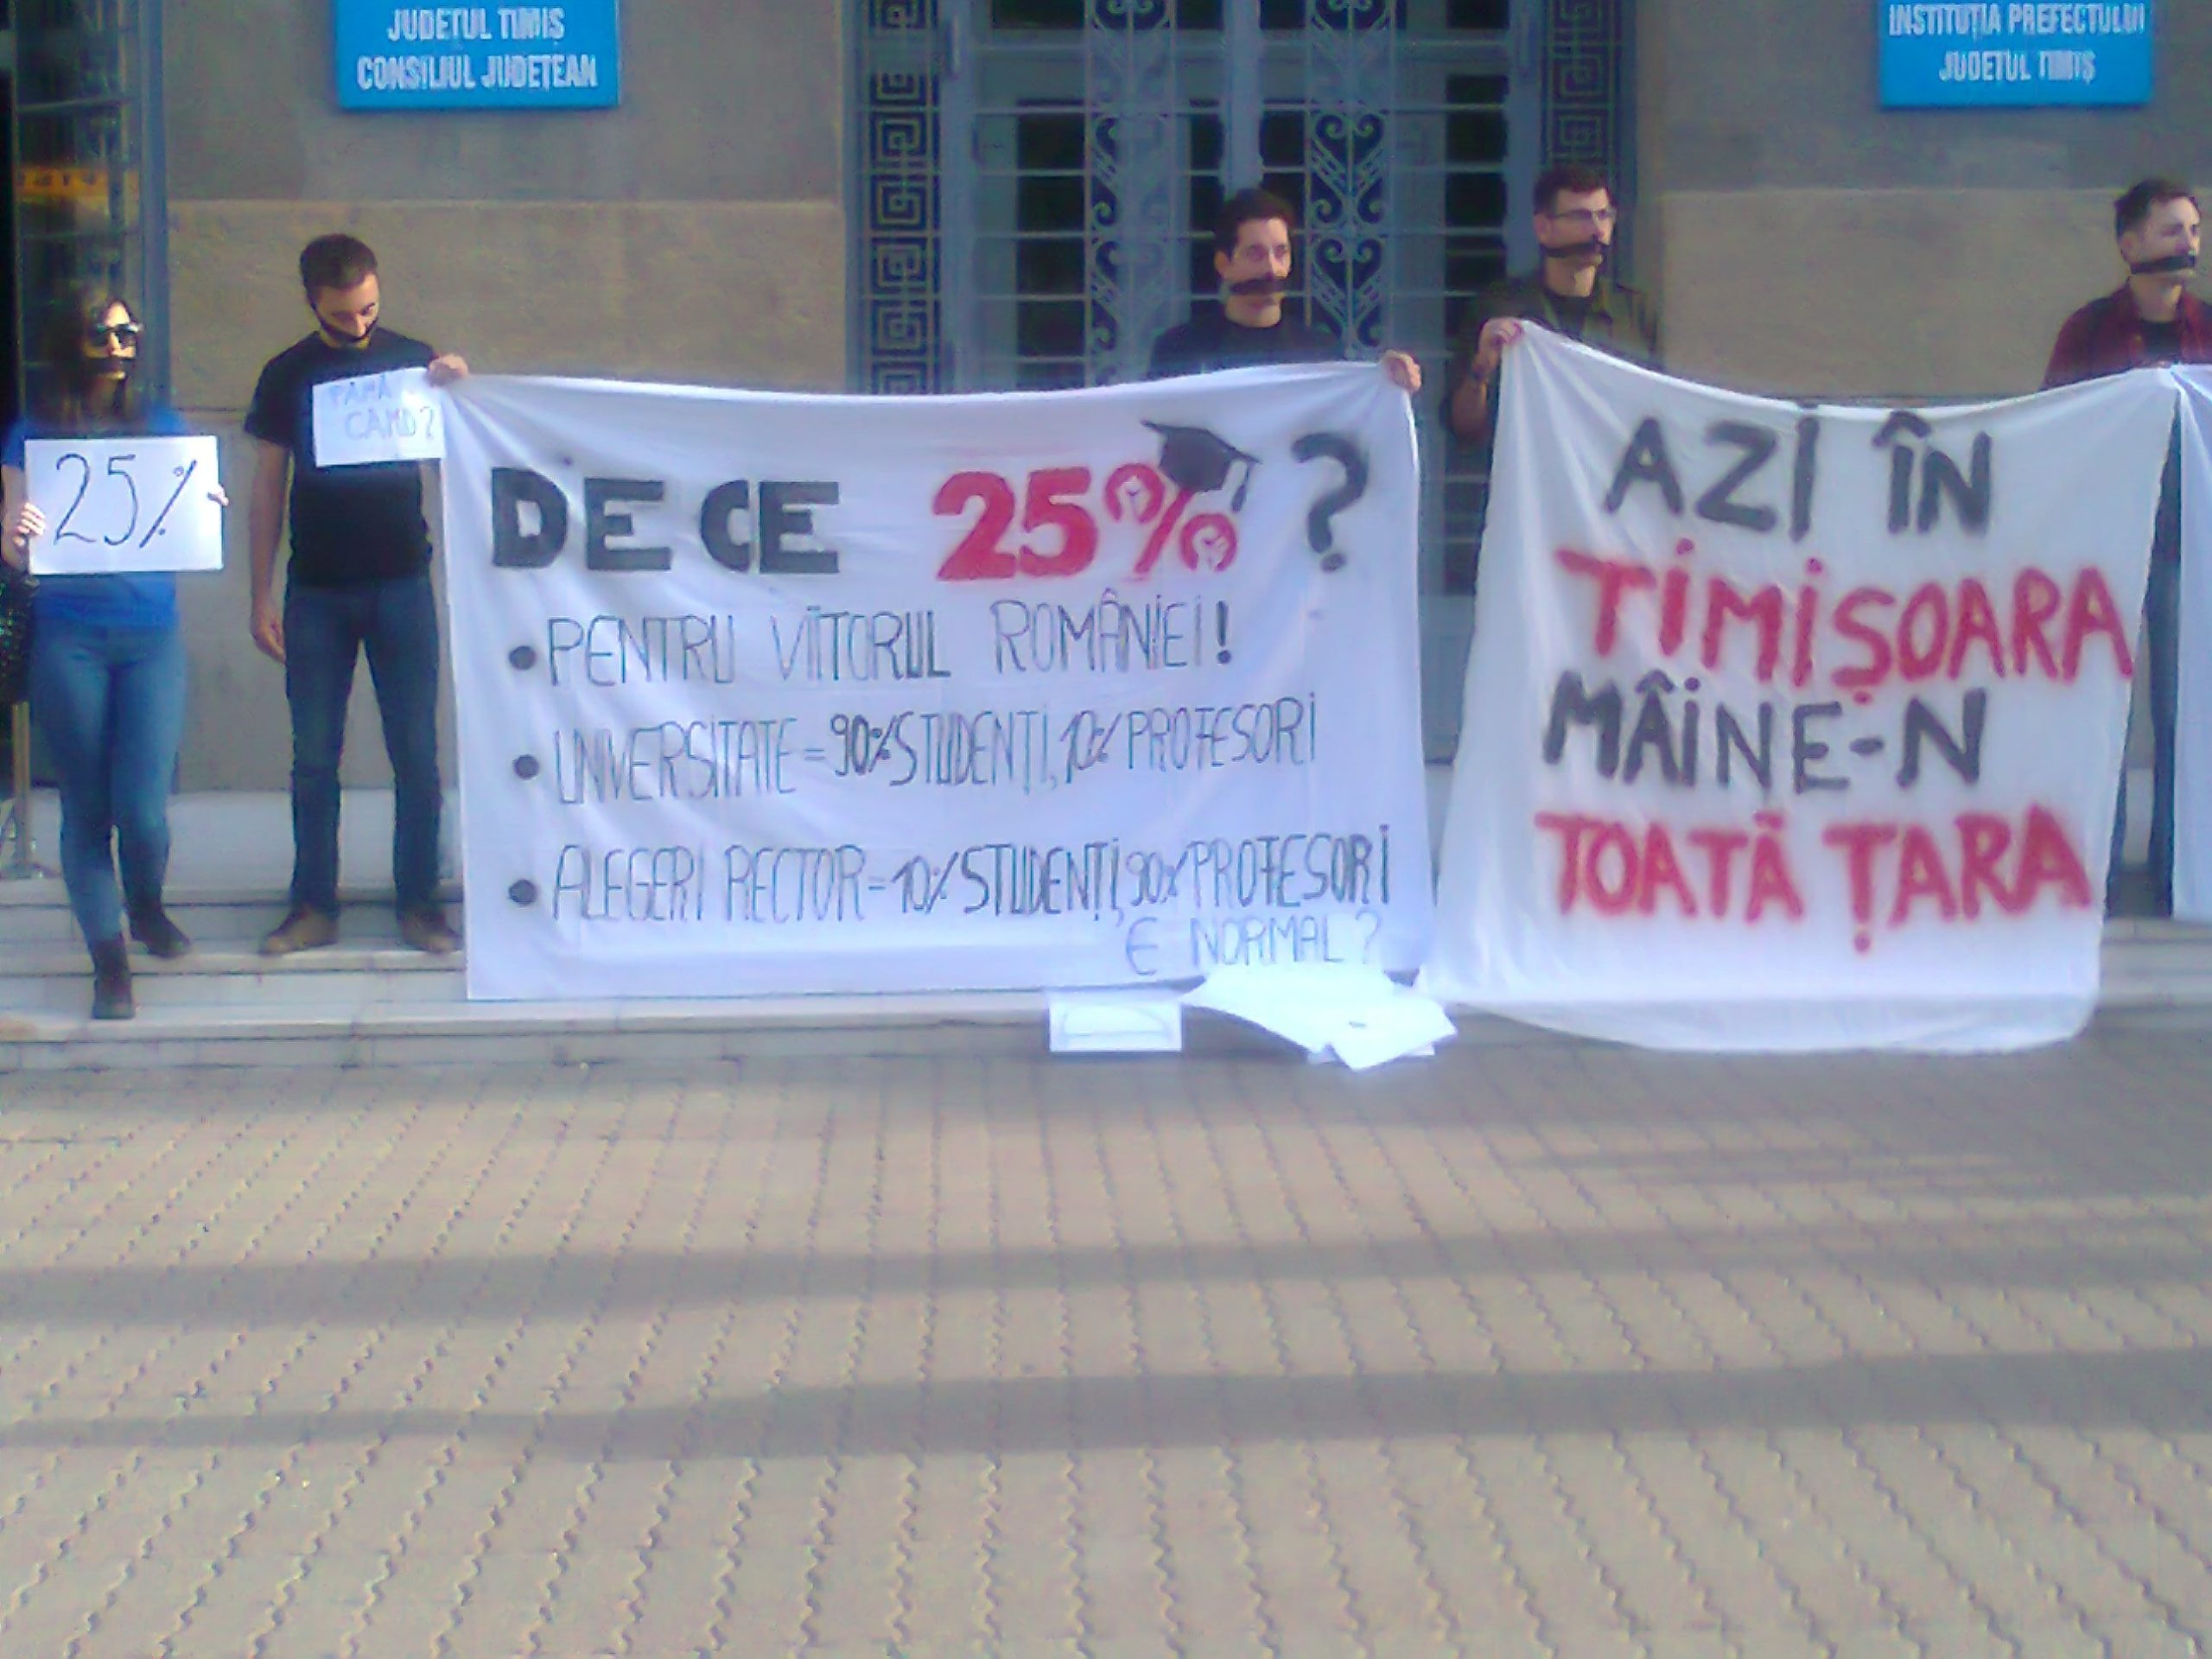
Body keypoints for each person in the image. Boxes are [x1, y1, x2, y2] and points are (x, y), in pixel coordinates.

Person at [245, 233, 469, 957]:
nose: (359, 325)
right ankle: (313, 904)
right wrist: (259, 593)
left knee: (417, 754)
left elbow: (454, 465)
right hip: (317, 589)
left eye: (369, 309)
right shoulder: (287, 373)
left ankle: (420, 904)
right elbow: (267, 488)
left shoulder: (413, 361)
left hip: (402, 581)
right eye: (342, 315)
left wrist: (462, 395)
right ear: (311, 301)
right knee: (314, 757)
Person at [1, 290, 219, 1019]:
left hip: (150, 634)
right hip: (70, 636)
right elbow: (11, 541)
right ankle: (109, 961)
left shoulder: (160, 424)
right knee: (87, 807)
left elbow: (185, 506)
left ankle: (147, 905)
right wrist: (16, 534)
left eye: (129, 332)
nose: (120, 345)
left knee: (144, 809)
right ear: (74, 340)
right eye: (104, 333)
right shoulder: (33, 433)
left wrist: (205, 508)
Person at [2044, 177, 2212, 918]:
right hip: (2105, 545)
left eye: (2195, 230)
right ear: (2130, 243)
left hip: (2187, 546)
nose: (2189, 245)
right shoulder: (2089, 333)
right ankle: (2098, 872)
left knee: (2183, 712)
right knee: (2100, 709)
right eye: (2173, 230)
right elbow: (2054, 425)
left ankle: (2177, 871)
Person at [1445, 162, 1661, 451]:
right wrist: (1481, 370)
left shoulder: (1633, 313)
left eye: (1604, 215)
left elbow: (1659, 414)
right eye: (1580, 217)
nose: (1597, 230)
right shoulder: (1500, 307)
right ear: (1543, 228)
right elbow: (1464, 428)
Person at [1147, 187, 1421, 393]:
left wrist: (1386, 381)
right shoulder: (1179, 352)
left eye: (1281, 253)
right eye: (1255, 254)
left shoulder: (1321, 355)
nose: (1272, 269)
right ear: (1223, 264)